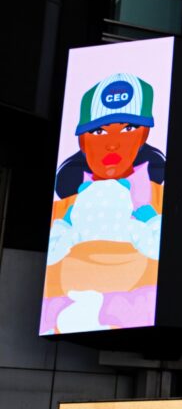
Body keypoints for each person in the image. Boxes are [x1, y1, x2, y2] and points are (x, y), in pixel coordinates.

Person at [40, 73, 164, 334]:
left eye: (128, 128)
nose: (112, 143)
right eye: (98, 130)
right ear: (82, 141)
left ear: (144, 135)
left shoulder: (162, 197)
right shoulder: (64, 205)